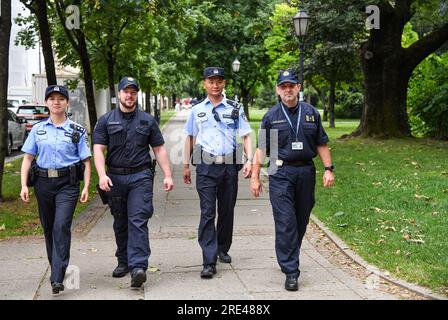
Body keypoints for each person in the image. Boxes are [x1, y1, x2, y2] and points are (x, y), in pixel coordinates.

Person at [250, 69, 335, 291]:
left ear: (298, 87)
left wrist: (328, 169)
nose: (288, 89)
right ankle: (291, 270)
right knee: (286, 221)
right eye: (283, 86)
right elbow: (262, 149)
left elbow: (321, 143)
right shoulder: (271, 116)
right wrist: (255, 177)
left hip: (306, 172)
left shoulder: (311, 113)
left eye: (292, 85)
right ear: (278, 90)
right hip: (280, 173)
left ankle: (288, 253)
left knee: (300, 220)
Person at [92, 76, 174, 288]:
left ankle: (138, 267)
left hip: (140, 177)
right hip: (115, 178)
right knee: (120, 221)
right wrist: (102, 175)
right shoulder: (106, 120)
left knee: (138, 220)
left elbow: (159, 149)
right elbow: (98, 150)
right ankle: (123, 261)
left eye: (133, 92)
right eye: (126, 91)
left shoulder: (147, 120)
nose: (129, 95)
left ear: (137, 94)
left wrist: (167, 174)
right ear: (118, 94)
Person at [20, 85, 91, 294]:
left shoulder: (77, 131)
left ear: (67, 103)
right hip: (43, 184)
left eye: (61, 98)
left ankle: (57, 276)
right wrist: (24, 185)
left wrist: (86, 186)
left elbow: (86, 161)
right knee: (49, 228)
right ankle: (56, 268)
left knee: (61, 225)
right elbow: (28, 158)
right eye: (52, 98)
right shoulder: (38, 130)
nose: (56, 102)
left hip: (67, 185)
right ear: (46, 103)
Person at [183, 67, 253, 279]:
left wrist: (250, 160)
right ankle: (209, 260)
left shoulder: (235, 108)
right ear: (204, 83)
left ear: (224, 84)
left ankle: (222, 247)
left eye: (219, 81)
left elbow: (247, 135)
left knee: (226, 210)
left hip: (230, 165)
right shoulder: (196, 110)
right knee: (207, 212)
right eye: (211, 81)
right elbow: (189, 137)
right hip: (205, 165)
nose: (215, 85)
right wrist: (186, 165)